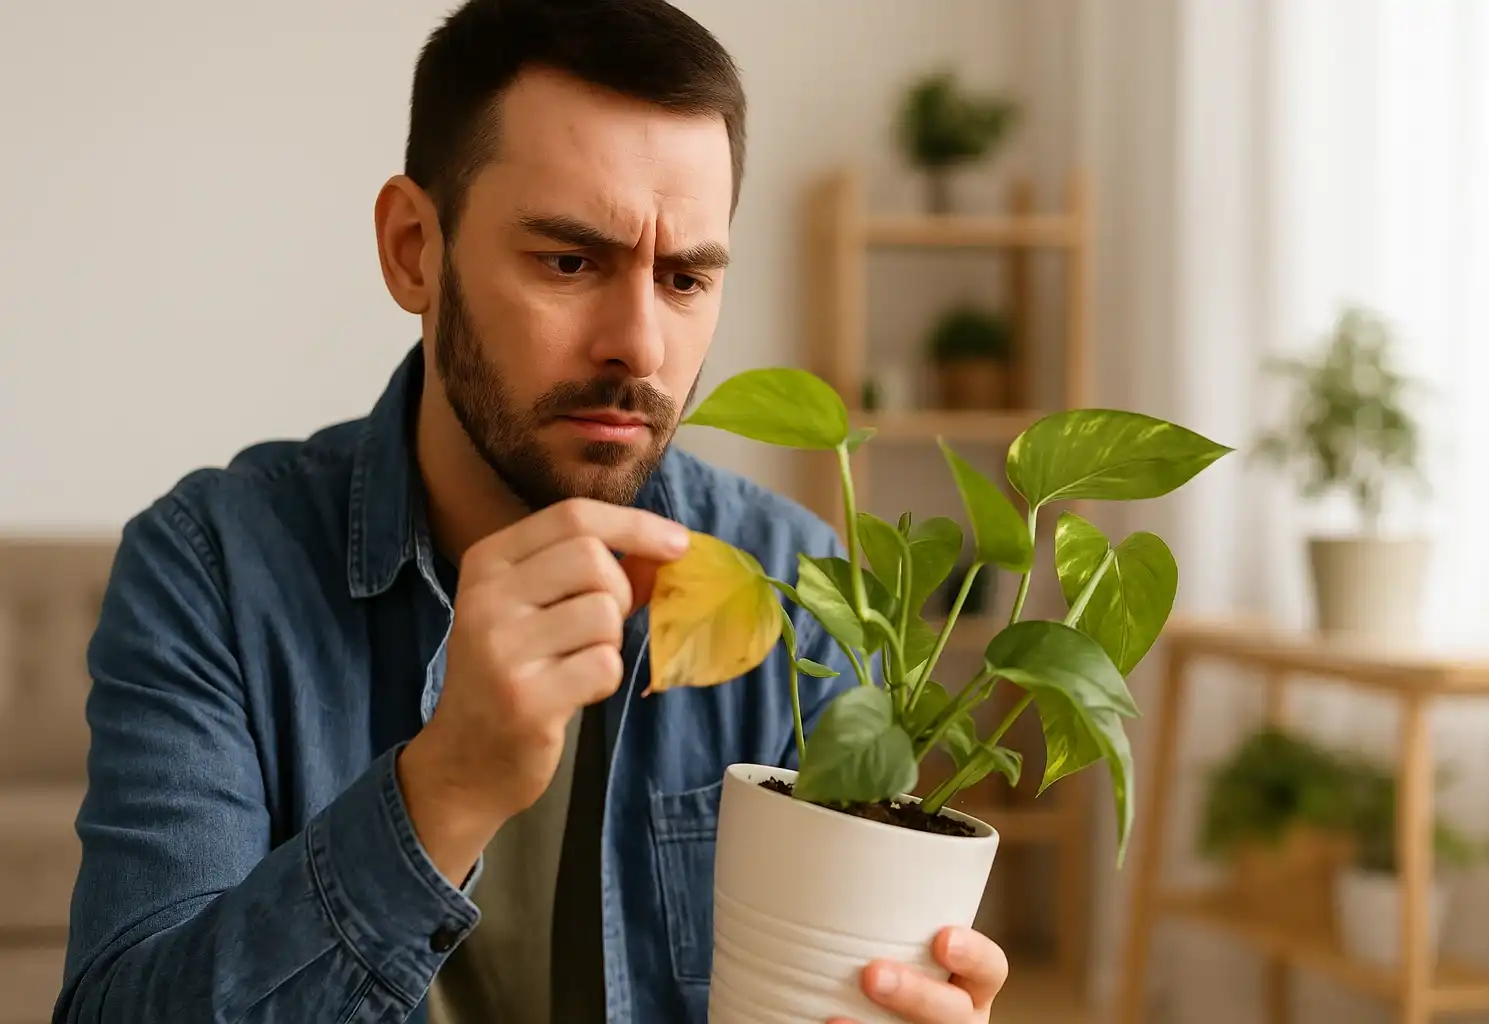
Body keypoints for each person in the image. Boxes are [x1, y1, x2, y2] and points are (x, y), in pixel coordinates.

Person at [53, 1, 1011, 1022]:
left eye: (685, 277)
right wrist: (443, 791)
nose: (639, 346)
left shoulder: (792, 582)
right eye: (570, 262)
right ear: (415, 249)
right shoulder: (213, 569)